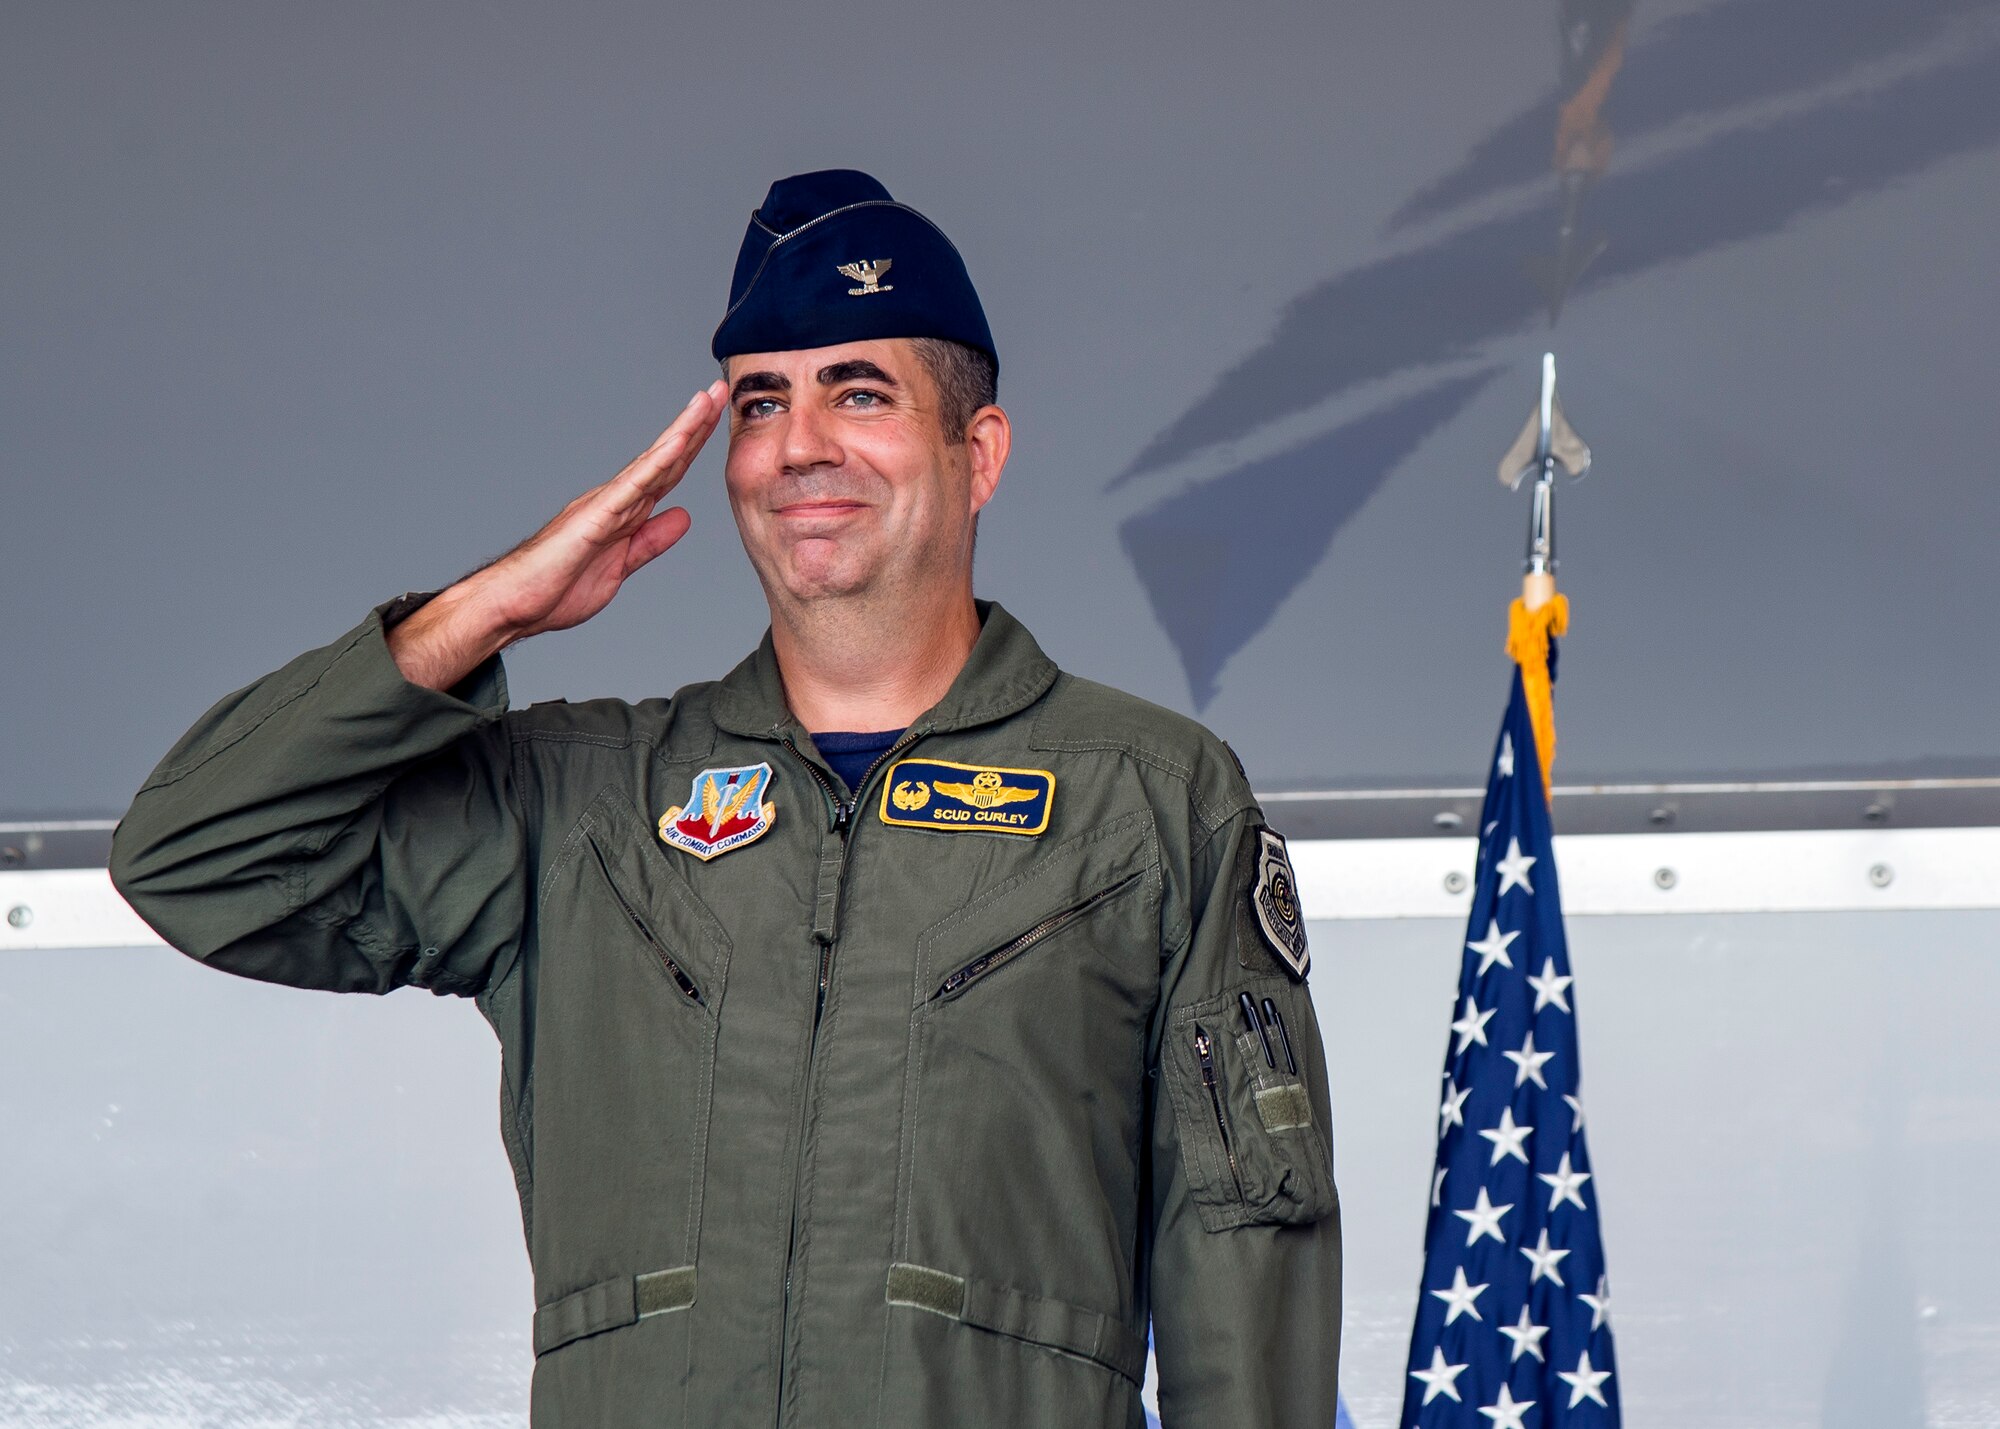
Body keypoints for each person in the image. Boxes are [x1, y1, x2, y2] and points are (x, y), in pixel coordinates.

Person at [109, 169, 1342, 1427]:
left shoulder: (1147, 803)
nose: (801, 443)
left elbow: (1247, 1264)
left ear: (976, 454)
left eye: (859, 392)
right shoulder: (581, 806)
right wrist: (487, 608)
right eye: (763, 403)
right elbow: (194, 858)